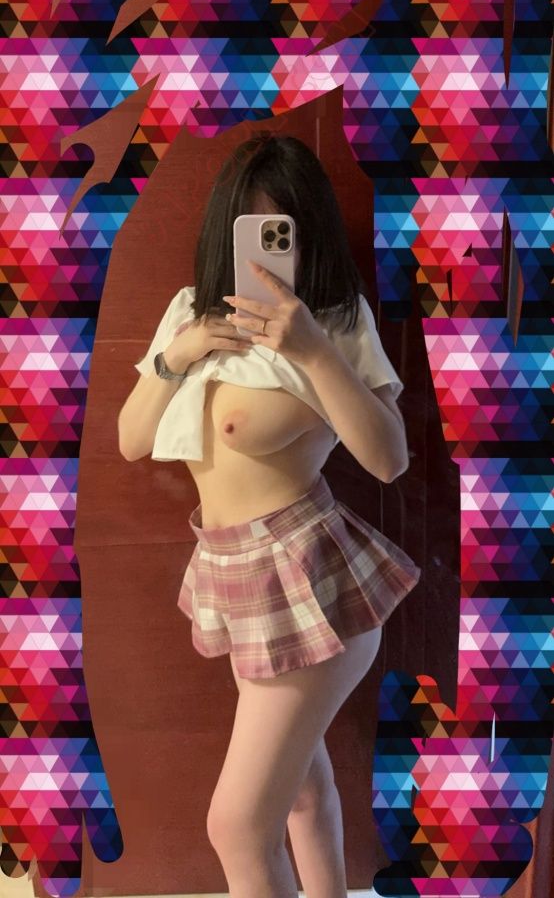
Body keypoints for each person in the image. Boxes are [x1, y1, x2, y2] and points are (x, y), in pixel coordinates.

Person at [118, 132, 421, 898]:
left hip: (308, 575)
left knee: (237, 826)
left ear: (307, 233)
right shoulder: (188, 313)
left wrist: (314, 351)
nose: (262, 255)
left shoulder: (336, 319)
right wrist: (179, 353)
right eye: (248, 229)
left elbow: (389, 458)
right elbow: (131, 440)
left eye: (279, 231)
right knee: (305, 795)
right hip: (234, 574)